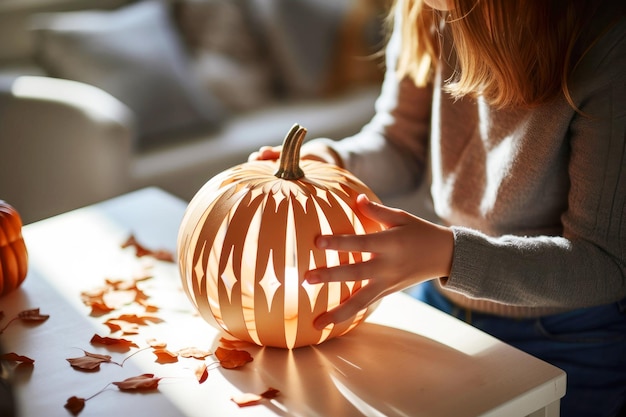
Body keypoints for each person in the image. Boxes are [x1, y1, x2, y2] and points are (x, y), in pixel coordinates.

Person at [250, 0, 626, 415]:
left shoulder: (608, 47)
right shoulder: (425, 10)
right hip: (443, 298)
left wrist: (448, 254)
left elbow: (607, 263)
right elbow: (399, 142)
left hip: (569, 335)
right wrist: (333, 162)